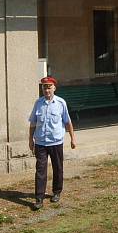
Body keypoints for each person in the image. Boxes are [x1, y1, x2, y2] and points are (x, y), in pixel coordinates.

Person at [28, 76, 76, 210]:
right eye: (44, 87)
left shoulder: (61, 103)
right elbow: (32, 123)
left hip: (56, 142)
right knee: (40, 170)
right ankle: (39, 198)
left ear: (54, 88)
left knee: (58, 168)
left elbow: (67, 122)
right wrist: (30, 140)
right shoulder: (38, 103)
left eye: (49, 87)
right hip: (41, 143)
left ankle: (56, 192)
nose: (47, 89)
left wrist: (73, 138)